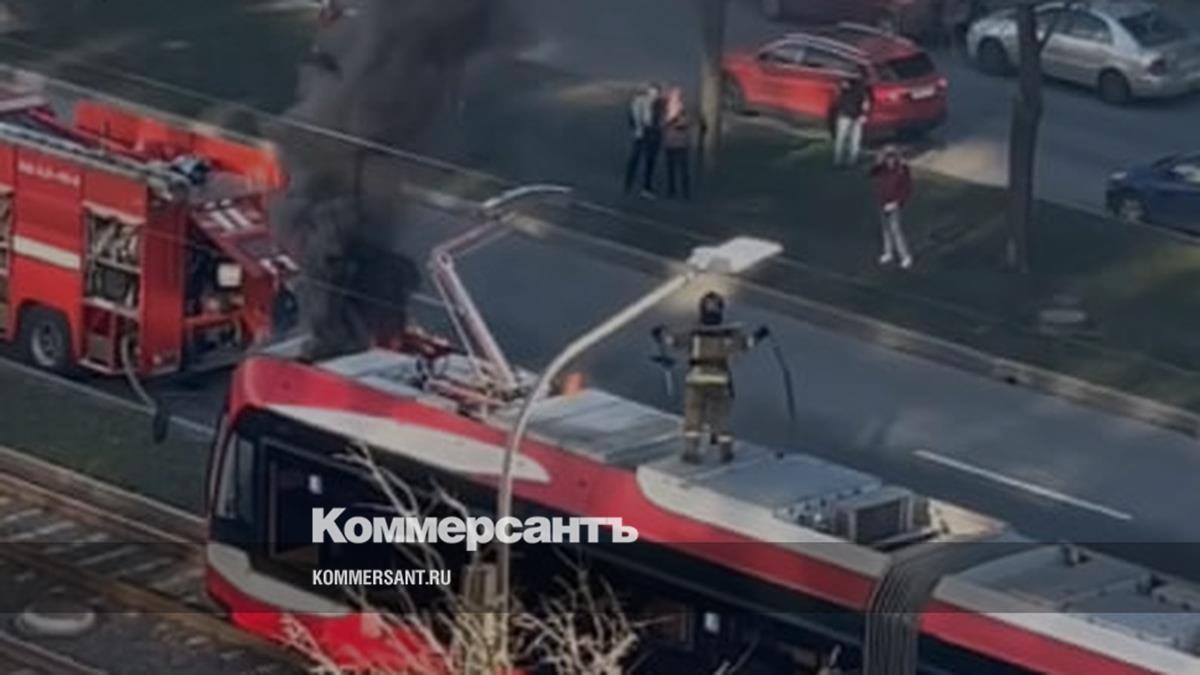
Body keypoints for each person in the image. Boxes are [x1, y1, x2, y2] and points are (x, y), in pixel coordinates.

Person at [652, 292, 769, 464]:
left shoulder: (695, 333)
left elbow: (673, 341)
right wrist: (760, 334)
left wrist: (661, 332)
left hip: (695, 381)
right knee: (721, 419)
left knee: (693, 419)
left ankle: (691, 451)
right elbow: (747, 344)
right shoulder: (728, 334)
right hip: (720, 381)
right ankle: (725, 451)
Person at [870, 146, 914, 269]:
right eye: (887, 157)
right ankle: (888, 252)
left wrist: (897, 202)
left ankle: (905, 256)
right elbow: (872, 173)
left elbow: (907, 189)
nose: (890, 160)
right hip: (882, 203)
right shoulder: (882, 168)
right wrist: (877, 161)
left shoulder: (901, 170)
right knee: (885, 230)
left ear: (896, 157)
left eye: (892, 157)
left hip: (894, 205)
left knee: (895, 230)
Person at [623, 83, 665, 197]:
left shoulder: (660, 104)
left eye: (656, 94)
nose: (654, 96)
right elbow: (636, 117)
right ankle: (628, 183)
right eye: (653, 93)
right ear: (648, 92)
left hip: (653, 134)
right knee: (635, 158)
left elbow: (660, 119)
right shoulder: (640, 101)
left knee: (649, 161)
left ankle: (646, 186)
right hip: (643, 134)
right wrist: (639, 130)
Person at [832, 76, 870, 168]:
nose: (843, 84)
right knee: (843, 139)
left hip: (855, 117)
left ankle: (849, 161)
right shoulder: (842, 89)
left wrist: (864, 114)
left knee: (852, 140)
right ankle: (839, 160)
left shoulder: (859, 89)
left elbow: (866, 102)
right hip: (846, 116)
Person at [663, 87, 692, 199]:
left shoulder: (683, 110)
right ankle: (671, 190)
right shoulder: (666, 109)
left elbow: (686, 122)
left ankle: (685, 191)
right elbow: (662, 123)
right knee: (671, 169)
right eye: (674, 96)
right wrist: (671, 120)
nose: (676, 99)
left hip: (681, 143)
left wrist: (676, 120)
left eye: (678, 96)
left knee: (683, 169)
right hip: (670, 143)